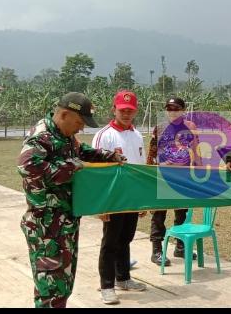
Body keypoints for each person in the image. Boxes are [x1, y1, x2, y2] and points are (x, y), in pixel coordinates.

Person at [18, 92, 126, 308]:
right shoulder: (41, 136)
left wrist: (107, 155)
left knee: (63, 284)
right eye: (79, 122)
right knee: (50, 288)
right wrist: (72, 166)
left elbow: (80, 151)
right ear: (65, 114)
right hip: (46, 227)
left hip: (64, 222)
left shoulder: (63, 135)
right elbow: (27, 167)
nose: (81, 128)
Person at [92, 91, 148, 305]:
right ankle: (107, 286)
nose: (126, 114)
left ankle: (123, 278)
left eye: (130, 111)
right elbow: (96, 171)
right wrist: (102, 204)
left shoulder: (137, 134)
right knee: (110, 242)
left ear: (135, 111)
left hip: (132, 196)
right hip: (113, 198)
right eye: (122, 110)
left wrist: (142, 199)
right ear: (113, 109)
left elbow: (140, 169)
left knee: (126, 238)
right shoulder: (104, 135)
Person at [147, 97, 200, 267]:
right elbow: (152, 152)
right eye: (169, 109)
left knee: (182, 213)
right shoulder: (160, 128)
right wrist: (151, 172)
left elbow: (196, 150)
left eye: (176, 108)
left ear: (183, 110)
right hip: (162, 176)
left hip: (183, 177)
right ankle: (157, 250)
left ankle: (180, 246)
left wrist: (198, 169)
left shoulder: (190, 127)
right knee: (159, 214)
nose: (172, 112)